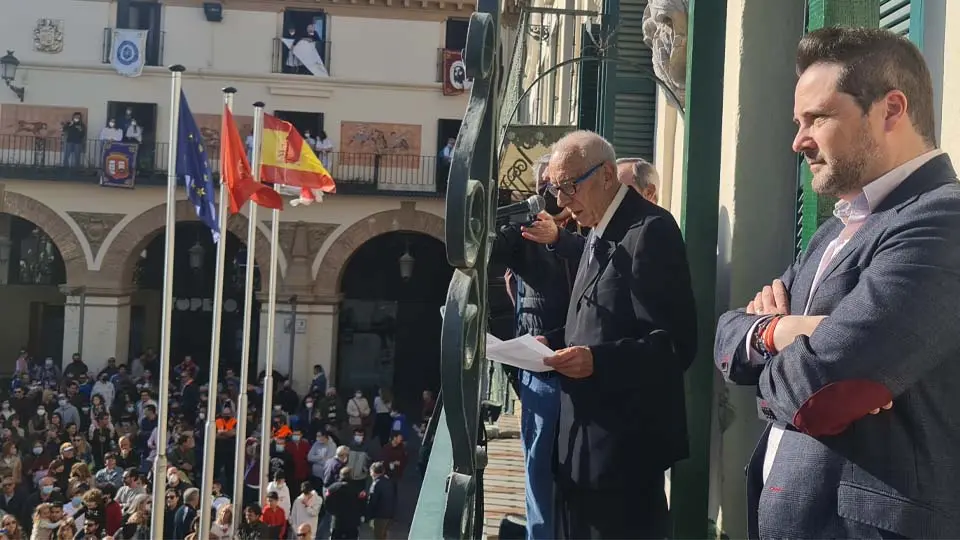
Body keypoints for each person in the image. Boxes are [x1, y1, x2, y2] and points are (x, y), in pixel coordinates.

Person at [714, 27, 960, 539]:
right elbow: (726, 336)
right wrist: (777, 332)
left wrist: (780, 342)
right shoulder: (838, 227)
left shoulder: (942, 221)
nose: (797, 140)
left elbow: (820, 392)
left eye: (817, 118)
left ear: (892, 110)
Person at [533, 130, 697, 539]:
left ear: (606, 174)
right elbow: (595, 319)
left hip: (623, 455)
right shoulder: (598, 229)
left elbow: (674, 346)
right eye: (556, 189)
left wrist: (596, 362)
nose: (562, 201)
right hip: (582, 448)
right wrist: (550, 343)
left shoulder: (651, 230)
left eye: (569, 186)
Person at [491, 152, 579, 539]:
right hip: (535, 368)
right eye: (544, 187)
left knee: (565, 467)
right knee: (537, 464)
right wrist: (504, 230)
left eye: (558, 186)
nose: (551, 195)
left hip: (575, 361)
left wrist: (559, 240)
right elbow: (486, 259)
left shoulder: (586, 233)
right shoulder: (527, 232)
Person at [364, 462, 395, 540]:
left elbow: (372, 502)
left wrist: (367, 516)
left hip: (379, 516)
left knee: (378, 537)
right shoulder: (389, 481)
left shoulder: (376, 484)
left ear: (373, 472)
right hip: (389, 514)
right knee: (384, 535)